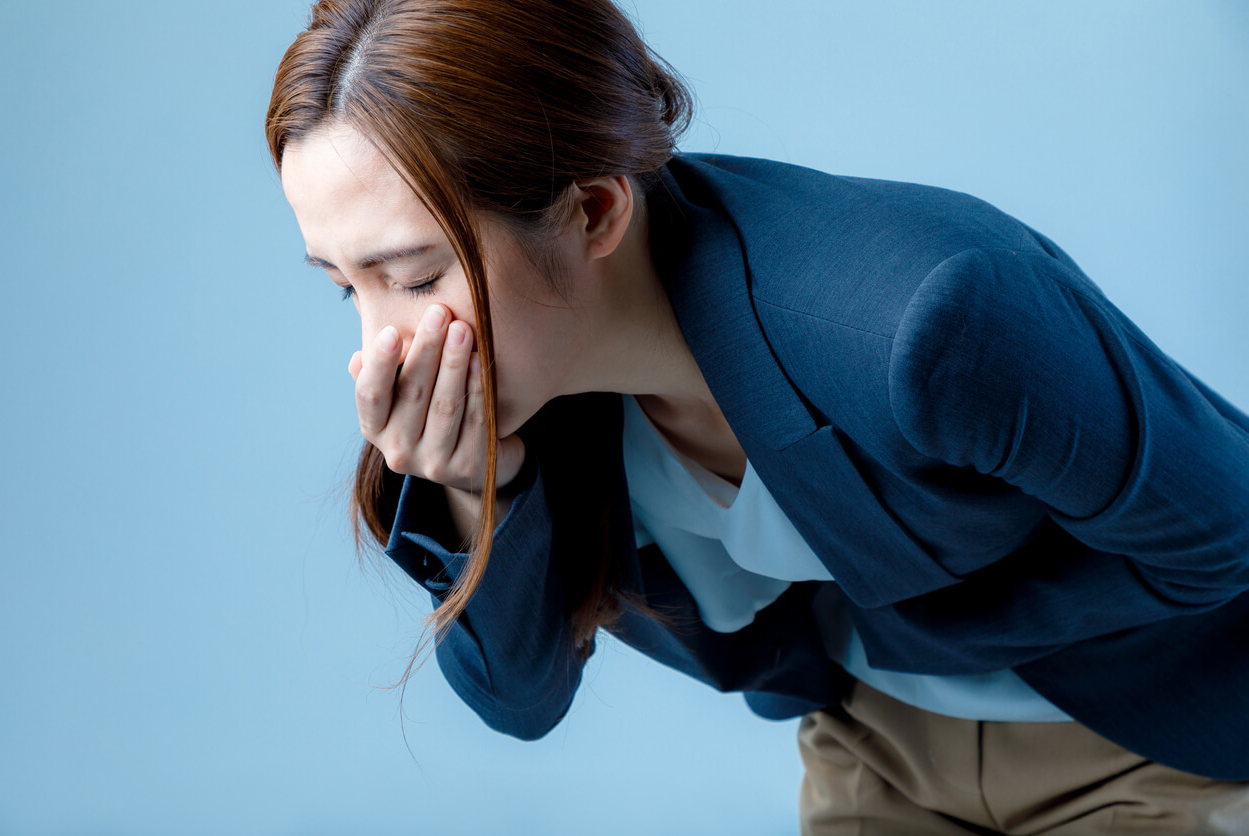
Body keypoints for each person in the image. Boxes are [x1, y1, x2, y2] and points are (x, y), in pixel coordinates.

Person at [266, 1, 1249, 832]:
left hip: (1149, 735)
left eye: (415, 274)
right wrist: (477, 486)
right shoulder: (517, 397)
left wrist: (921, 622)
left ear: (597, 211)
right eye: (344, 285)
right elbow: (518, 702)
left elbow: (1228, 529)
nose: (379, 345)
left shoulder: (927, 320)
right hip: (876, 751)